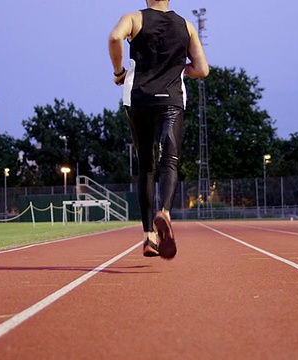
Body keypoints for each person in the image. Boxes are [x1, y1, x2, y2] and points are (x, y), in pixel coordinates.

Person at [109, 0, 209, 259]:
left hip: (139, 98)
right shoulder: (186, 26)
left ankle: (148, 237)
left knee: (146, 166)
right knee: (170, 161)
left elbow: (114, 38)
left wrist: (119, 71)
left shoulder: (133, 19)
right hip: (172, 99)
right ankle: (164, 212)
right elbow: (203, 69)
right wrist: (181, 69)